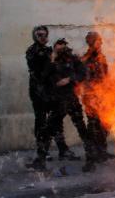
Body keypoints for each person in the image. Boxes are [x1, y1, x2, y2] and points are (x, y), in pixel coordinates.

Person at [35, 39, 97, 171]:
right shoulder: (51, 61)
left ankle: (91, 160)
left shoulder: (73, 60)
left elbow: (83, 73)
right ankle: (41, 160)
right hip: (57, 101)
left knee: (81, 129)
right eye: (58, 49)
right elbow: (43, 78)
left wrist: (69, 79)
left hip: (71, 99)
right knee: (49, 130)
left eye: (62, 48)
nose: (60, 51)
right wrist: (51, 61)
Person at [25, 26, 73, 166]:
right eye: (40, 35)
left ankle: (62, 149)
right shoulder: (32, 51)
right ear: (35, 36)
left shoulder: (48, 51)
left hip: (51, 91)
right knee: (41, 121)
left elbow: (57, 68)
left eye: (45, 35)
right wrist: (52, 60)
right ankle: (42, 152)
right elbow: (40, 73)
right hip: (39, 92)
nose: (43, 38)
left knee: (56, 120)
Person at [80, 31, 114, 161]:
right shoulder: (87, 58)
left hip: (103, 95)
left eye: (100, 40)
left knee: (105, 123)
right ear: (92, 43)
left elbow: (105, 75)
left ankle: (102, 150)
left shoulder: (101, 57)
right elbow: (87, 80)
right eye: (98, 41)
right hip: (92, 96)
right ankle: (93, 152)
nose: (101, 43)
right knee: (94, 125)